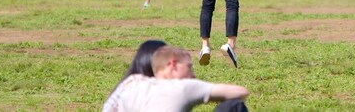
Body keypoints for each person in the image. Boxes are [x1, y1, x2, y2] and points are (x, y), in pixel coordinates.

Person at [103, 45, 250, 112]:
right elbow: (241, 91)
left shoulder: (132, 82)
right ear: (173, 65)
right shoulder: (183, 87)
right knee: (233, 106)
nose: (193, 74)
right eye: (189, 67)